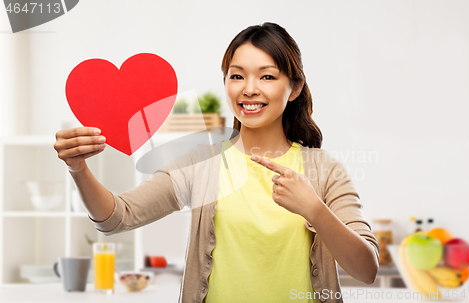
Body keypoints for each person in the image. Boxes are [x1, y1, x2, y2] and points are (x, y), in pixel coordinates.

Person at [54, 22, 379, 303]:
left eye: (267, 77)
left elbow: (366, 270)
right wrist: (77, 169)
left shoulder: (324, 171)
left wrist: (314, 209)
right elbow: (116, 217)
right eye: (237, 76)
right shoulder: (202, 163)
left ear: (293, 88)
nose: (249, 89)